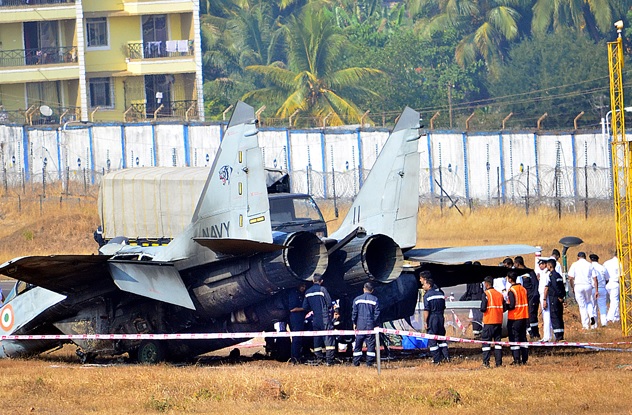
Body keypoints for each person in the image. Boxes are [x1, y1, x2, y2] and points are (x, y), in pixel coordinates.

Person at [302, 275, 336, 365]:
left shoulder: (307, 292)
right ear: (321, 281)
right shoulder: (322, 289)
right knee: (328, 338)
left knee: (317, 337)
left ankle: (319, 358)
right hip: (325, 317)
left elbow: (305, 307)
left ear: (313, 281)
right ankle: (329, 361)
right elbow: (329, 303)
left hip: (315, 318)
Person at [422, 273, 449, 364]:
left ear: (429, 285)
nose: (423, 286)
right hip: (441, 316)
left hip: (432, 317)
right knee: (441, 338)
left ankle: (437, 360)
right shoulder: (441, 294)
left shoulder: (427, 296)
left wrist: (425, 322)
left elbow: (426, 310)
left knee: (432, 339)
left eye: (424, 284)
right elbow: (444, 306)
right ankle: (446, 357)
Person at [351, 282, 381, 367]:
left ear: (363, 289)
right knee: (370, 344)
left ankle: (356, 362)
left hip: (360, 325)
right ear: (372, 290)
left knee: (358, 344)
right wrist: (375, 323)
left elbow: (354, 312)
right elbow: (377, 313)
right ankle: (369, 363)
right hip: (370, 325)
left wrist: (354, 322)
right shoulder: (375, 300)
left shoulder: (357, 299)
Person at [505, 270, 529, 365]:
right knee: (523, 338)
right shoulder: (523, 289)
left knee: (514, 338)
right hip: (524, 316)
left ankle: (516, 359)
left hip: (515, 317)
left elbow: (512, 306)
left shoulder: (512, 291)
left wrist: (505, 306)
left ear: (510, 279)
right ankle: (524, 358)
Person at [568, 252, 596, 330]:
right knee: (589, 302)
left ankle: (585, 325)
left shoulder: (575, 264)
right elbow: (594, 278)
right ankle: (591, 316)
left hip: (578, 285)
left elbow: (570, 277)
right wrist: (596, 289)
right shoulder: (590, 265)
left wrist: (572, 287)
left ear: (578, 257)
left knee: (582, 306)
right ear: (585, 257)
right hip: (588, 285)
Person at [480, 276, 504, 368]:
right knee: (498, 343)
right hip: (498, 321)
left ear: (486, 283)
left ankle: (486, 363)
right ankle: (499, 363)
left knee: (486, 343)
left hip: (489, 321)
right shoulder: (499, 294)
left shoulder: (486, 294)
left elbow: (483, 308)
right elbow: (504, 307)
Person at [515, 255, 540, 340]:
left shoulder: (529, 272)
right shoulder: (517, 274)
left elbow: (535, 284)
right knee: (525, 316)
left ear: (518, 264)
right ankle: (530, 333)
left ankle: (535, 333)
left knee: (532, 315)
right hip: (523, 299)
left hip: (531, 297)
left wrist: (535, 296)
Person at [459, 263, 484, 339]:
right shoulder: (481, 276)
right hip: (479, 298)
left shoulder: (471, 277)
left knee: (476, 317)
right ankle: (479, 333)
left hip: (475, 299)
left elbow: (469, 291)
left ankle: (477, 334)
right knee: (477, 317)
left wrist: (465, 298)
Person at [545, 258, 566, 341]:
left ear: (550, 266)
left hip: (554, 298)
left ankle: (558, 336)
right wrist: (562, 296)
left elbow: (555, 287)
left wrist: (559, 296)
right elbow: (562, 287)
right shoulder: (558, 275)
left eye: (547, 265)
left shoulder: (552, 276)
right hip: (559, 298)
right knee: (559, 316)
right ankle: (561, 335)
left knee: (555, 317)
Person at [288, 282, 307, 364]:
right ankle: (294, 358)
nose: (303, 288)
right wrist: (304, 308)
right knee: (296, 339)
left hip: (300, 319)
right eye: (302, 286)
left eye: (304, 286)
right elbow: (292, 309)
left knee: (299, 339)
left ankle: (298, 356)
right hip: (295, 319)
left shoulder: (301, 294)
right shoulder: (294, 294)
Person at [589, 254, 609, 327]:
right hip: (601, 288)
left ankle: (594, 325)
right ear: (598, 260)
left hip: (592, 289)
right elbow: (607, 279)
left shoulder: (589, 267)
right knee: (602, 306)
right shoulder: (602, 268)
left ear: (590, 260)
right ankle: (604, 323)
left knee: (593, 306)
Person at [536, 258, 552, 342]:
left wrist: (544, 299)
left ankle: (547, 336)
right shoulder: (542, 273)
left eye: (541, 264)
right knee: (545, 316)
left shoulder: (547, 273)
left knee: (546, 316)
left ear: (545, 264)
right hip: (542, 295)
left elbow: (546, 287)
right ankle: (546, 336)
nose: (540, 265)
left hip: (545, 296)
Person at [604, 251, 621, 323]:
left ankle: (616, 317)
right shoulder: (619, 263)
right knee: (615, 301)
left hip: (607, 284)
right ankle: (609, 317)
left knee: (614, 300)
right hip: (615, 283)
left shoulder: (606, 263)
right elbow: (621, 276)